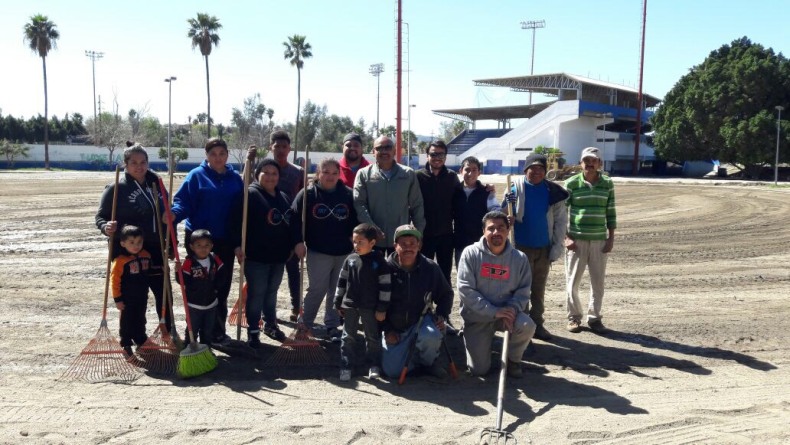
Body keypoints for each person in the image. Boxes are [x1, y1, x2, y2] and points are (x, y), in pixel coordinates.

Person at [170, 137, 244, 346]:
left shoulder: (235, 179)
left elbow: (240, 212)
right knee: (198, 287)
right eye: (213, 154)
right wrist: (174, 214)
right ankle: (194, 331)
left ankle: (217, 333)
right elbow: (182, 202)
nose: (217, 158)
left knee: (221, 286)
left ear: (227, 155)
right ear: (207, 155)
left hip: (224, 241)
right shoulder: (196, 176)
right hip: (199, 241)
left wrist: (238, 242)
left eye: (222, 153)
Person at [96, 142, 170, 334]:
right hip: (128, 249)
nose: (139, 166)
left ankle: (168, 331)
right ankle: (134, 337)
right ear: (126, 164)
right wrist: (106, 227)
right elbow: (101, 217)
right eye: (134, 162)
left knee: (164, 292)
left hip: (155, 246)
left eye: (143, 162)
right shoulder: (115, 188)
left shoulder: (157, 184)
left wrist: (171, 241)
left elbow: (168, 216)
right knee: (134, 297)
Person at [457, 211, 536, 378]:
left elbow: (523, 291)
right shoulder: (470, 254)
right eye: (491, 228)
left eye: (501, 228)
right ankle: (477, 340)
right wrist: (493, 311)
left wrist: (512, 309)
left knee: (527, 326)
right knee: (479, 370)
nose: (496, 232)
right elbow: (465, 290)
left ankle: (513, 359)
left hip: (506, 315)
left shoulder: (519, 259)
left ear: (508, 230)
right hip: (478, 317)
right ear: (484, 232)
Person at [503, 153, 569, 341]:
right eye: (533, 169)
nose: (537, 172)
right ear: (526, 170)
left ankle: (538, 324)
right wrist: (507, 215)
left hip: (543, 249)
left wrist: (556, 247)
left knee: (538, 290)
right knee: (521, 289)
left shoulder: (552, 192)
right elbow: (501, 216)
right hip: (520, 249)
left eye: (541, 169)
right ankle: (523, 328)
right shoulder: (515, 188)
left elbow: (560, 221)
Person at [292, 158, 358, 342]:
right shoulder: (308, 194)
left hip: (343, 252)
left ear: (339, 174)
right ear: (318, 173)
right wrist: (298, 242)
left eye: (334, 173)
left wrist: (354, 239)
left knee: (337, 291)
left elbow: (355, 220)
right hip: (318, 250)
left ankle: (332, 325)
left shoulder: (347, 194)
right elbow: (294, 220)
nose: (330, 176)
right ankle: (304, 324)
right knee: (317, 289)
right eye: (326, 172)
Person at [230, 158, 294, 347]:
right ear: (258, 174)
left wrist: (290, 246)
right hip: (256, 256)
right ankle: (253, 330)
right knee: (257, 293)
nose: (270, 176)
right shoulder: (249, 195)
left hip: (279, 256)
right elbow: (235, 223)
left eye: (274, 173)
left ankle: (270, 324)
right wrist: (237, 246)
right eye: (265, 172)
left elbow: (289, 224)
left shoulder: (283, 197)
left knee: (272, 292)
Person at [381, 225, 453, 380]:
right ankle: (412, 358)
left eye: (412, 243)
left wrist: (441, 316)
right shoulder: (384, 269)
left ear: (419, 245)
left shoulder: (431, 268)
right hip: (394, 328)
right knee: (392, 372)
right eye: (403, 244)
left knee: (431, 335)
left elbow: (446, 294)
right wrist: (387, 330)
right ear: (395, 245)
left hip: (420, 322)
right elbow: (374, 304)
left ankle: (428, 363)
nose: (408, 248)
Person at [564, 147, 617, 334]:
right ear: (580, 163)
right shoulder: (570, 184)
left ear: (599, 163)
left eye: (593, 160)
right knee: (572, 283)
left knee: (598, 283)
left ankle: (594, 318)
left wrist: (610, 239)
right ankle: (574, 318)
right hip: (576, 241)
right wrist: (566, 237)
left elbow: (611, 212)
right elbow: (561, 213)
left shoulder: (608, 184)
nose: (590, 163)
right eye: (586, 160)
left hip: (599, 241)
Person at [334, 223, 392, 381]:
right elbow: (342, 281)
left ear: (372, 243)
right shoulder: (350, 260)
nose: (356, 245)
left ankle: (373, 365)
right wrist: (338, 301)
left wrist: (382, 308)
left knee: (372, 336)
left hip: (370, 307)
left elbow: (385, 286)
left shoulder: (379, 261)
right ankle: (346, 365)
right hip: (351, 305)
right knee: (348, 336)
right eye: (354, 242)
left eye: (361, 242)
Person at [353, 135, 425, 256]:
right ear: (373, 152)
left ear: (394, 150)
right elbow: (359, 203)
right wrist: (373, 229)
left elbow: (417, 205)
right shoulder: (364, 174)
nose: (384, 151)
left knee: (399, 274)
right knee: (372, 274)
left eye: (388, 147)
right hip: (372, 240)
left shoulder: (408, 174)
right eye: (379, 148)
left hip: (401, 239)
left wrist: (418, 234)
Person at [269, 130, 305, 322]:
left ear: (289, 149)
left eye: (284, 147)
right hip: (268, 228)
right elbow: (247, 188)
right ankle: (268, 309)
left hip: (291, 227)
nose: (281, 150)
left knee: (293, 270)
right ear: (271, 148)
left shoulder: (298, 172)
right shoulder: (263, 170)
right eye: (277, 146)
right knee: (271, 272)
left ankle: (296, 307)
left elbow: (303, 201)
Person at [416, 140, 460, 286]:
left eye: (441, 154)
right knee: (423, 274)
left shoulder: (452, 177)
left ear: (446, 157)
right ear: (427, 156)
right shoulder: (418, 177)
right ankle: (424, 306)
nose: (437, 157)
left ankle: (443, 308)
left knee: (444, 276)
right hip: (424, 236)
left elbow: (462, 199)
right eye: (433, 154)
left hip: (446, 236)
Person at [176, 229, 226, 346]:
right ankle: (189, 348)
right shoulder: (189, 262)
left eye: (206, 245)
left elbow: (223, 273)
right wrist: (178, 271)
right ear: (192, 247)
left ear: (211, 246)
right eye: (199, 245)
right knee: (192, 329)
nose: (203, 249)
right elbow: (182, 281)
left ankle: (205, 350)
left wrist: (217, 287)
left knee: (208, 330)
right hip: (194, 304)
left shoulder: (214, 259)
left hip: (211, 303)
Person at [110, 225, 152, 356]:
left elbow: (150, 273)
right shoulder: (120, 261)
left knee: (140, 318)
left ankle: (140, 338)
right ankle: (126, 342)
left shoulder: (146, 255)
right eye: (132, 243)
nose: (136, 246)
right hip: (126, 298)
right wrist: (117, 299)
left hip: (142, 295)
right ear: (123, 243)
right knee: (127, 321)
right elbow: (114, 281)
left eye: (139, 242)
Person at [452, 156, 500, 266]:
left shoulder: (486, 192)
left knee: (481, 277)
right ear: (461, 171)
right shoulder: (454, 192)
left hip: (481, 243)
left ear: (479, 173)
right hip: (460, 242)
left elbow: (495, 211)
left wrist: (505, 213)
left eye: (474, 170)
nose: (470, 174)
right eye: (467, 170)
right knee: (462, 275)